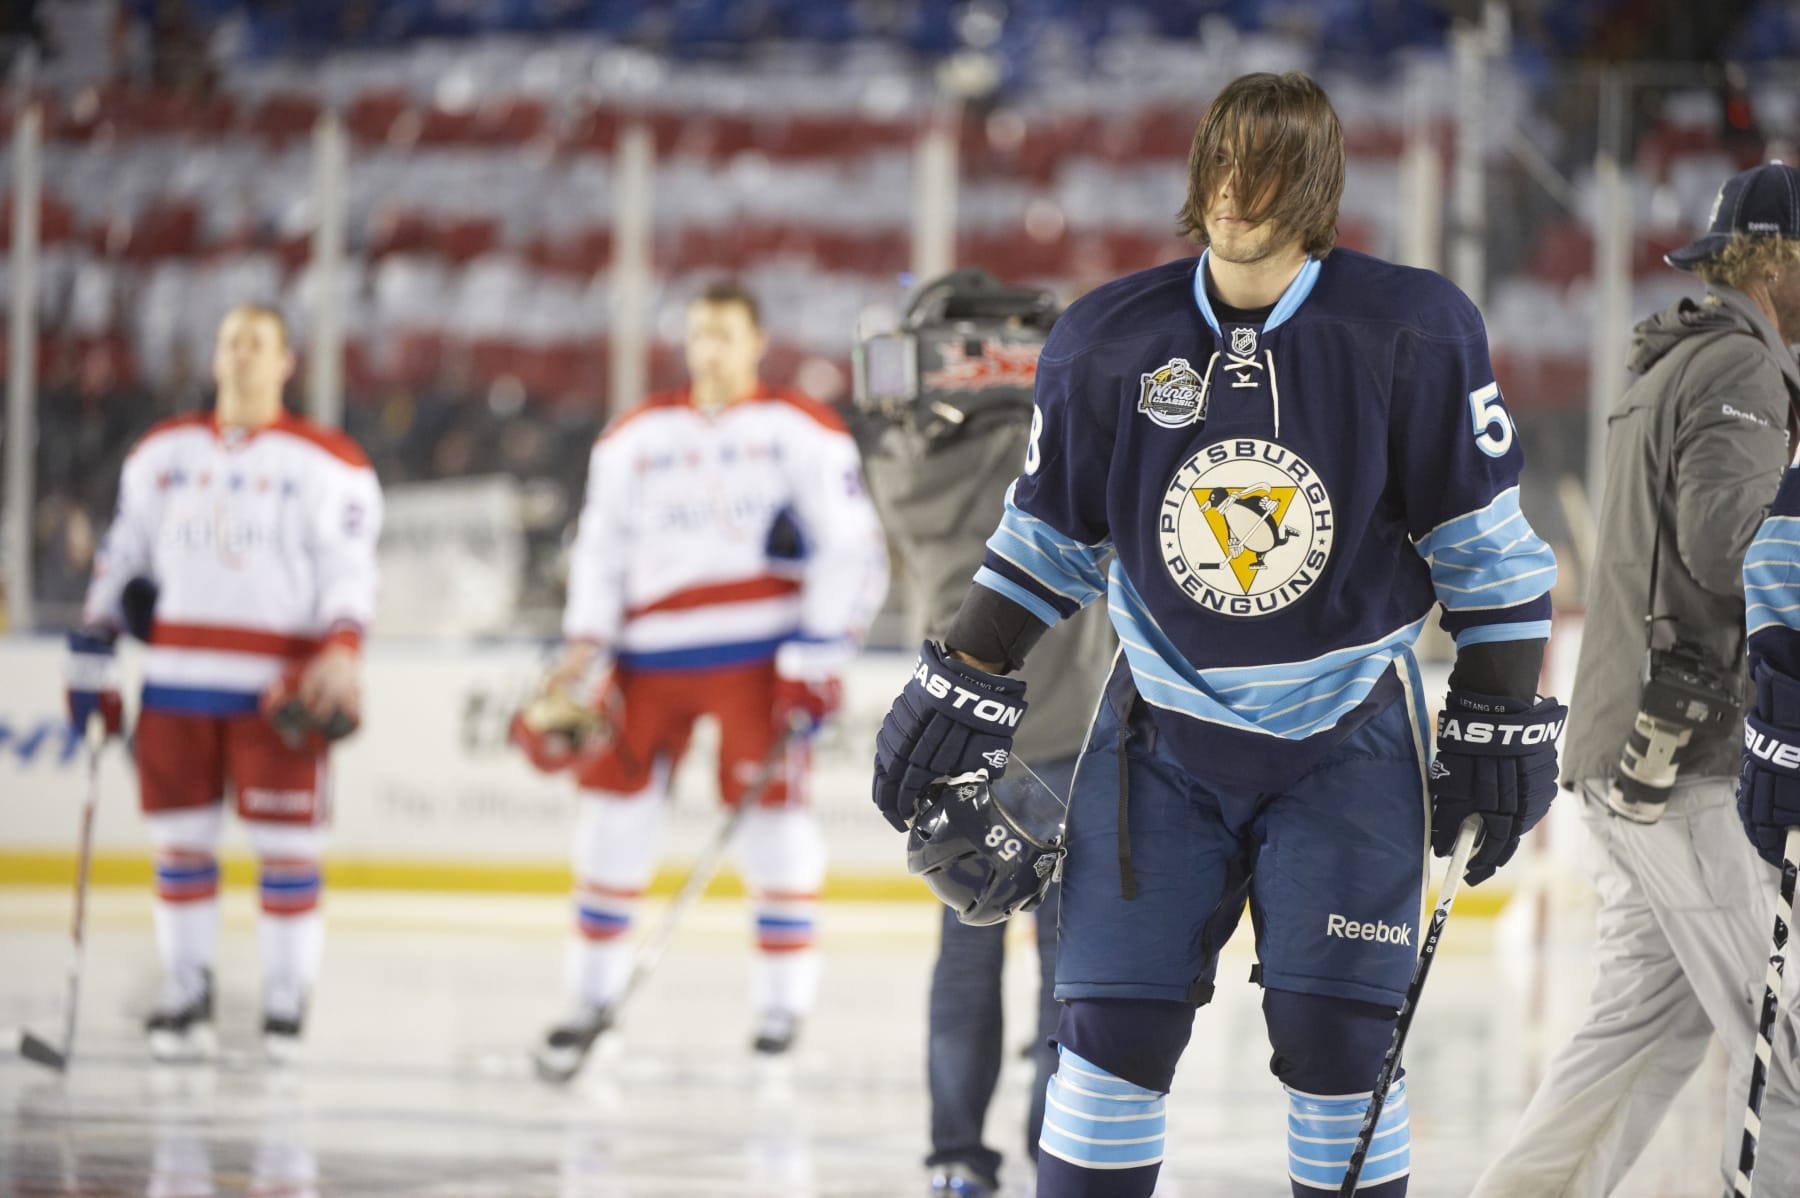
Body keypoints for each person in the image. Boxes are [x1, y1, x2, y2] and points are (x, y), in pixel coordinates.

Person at [869, 71, 1563, 1198]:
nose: (1240, 189)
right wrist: (966, 666)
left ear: (1319, 183)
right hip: (1161, 742)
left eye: (1273, 164)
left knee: (1338, 1047)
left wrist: (1501, 703)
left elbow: (1486, 550)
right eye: (1225, 161)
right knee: (1104, 1037)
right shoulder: (1105, 336)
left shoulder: (1415, 327)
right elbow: (1049, 540)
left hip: (1348, 743)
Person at [1471, 161, 1800, 1196]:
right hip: (1688, 765)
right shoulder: (1743, 371)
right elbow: (1724, 546)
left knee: (1632, 1042)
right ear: (1780, 260)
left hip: (1627, 748)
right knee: (1786, 1052)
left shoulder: (1675, 357)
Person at [522, 279, 888, 1081]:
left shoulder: (800, 430)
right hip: (648, 662)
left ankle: (782, 1008)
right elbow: (600, 548)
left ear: (757, 341)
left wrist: (817, 659)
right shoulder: (632, 438)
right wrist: (586, 645)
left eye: (725, 333)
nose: (709, 349)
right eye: (698, 334)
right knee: (613, 826)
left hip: (758, 662)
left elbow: (852, 548)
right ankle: (589, 1000)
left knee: (773, 829)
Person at [851, 269, 1117, 1198]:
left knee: (965, 953)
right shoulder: (1057, 448)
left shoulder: (904, 455)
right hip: (1067, 728)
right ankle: (1056, 1148)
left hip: (957, 736)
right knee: (1064, 964)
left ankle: (956, 1158)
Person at [65, 303, 382, 1063]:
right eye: (229, 341)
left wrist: (342, 648)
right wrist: (93, 653)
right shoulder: (161, 454)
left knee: (288, 847)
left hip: (279, 691)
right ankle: (188, 988)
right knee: (180, 844)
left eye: (257, 344)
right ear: (214, 358)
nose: (240, 355)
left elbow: (350, 568)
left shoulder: (327, 460)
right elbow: (122, 558)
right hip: (176, 681)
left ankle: (284, 996)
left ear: (285, 363)